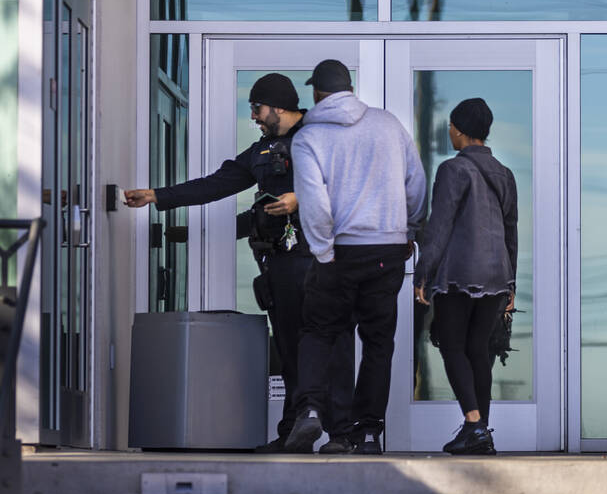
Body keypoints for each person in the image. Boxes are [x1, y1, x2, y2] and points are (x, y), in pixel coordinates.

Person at [124, 73, 354, 453]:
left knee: (335, 346)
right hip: (281, 262)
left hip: (324, 260)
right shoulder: (263, 151)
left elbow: (349, 186)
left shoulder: (322, 136)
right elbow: (217, 183)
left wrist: (301, 199)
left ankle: (343, 435)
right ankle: (291, 435)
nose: (254, 117)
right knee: (290, 349)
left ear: (278, 105)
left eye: (257, 108)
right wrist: (157, 195)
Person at [285, 59, 427, 455]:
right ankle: (366, 432)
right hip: (387, 248)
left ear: (317, 93)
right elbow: (415, 184)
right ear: (350, 88)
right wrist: (409, 230)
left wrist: (323, 250)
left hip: (341, 249)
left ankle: (313, 410)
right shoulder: (388, 124)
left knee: (319, 331)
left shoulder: (308, 138)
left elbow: (313, 202)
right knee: (378, 342)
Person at [414, 98, 518, 456]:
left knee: (453, 345)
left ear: (458, 130)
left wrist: (423, 273)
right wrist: (511, 284)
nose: (449, 134)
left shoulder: (452, 170)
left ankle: (473, 423)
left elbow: (439, 227)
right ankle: (481, 432)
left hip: (460, 274)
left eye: (450, 128)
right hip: (496, 275)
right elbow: (510, 232)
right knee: (479, 348)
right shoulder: (505, 173)